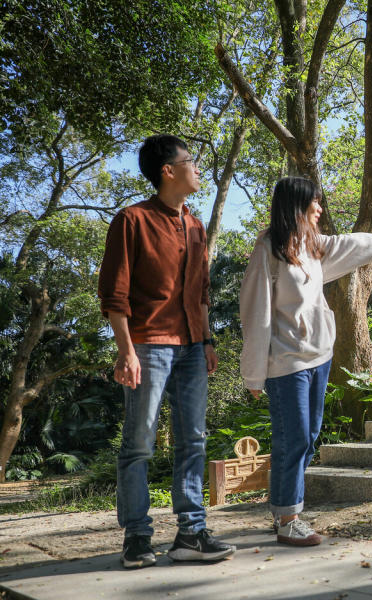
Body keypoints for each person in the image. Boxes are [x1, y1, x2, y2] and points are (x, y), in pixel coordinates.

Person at [239, 176, 372, 546]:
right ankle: (288, 520)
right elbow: (256, 314)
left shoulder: (314, 247)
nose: (320, 209)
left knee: (309, 436)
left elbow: (357, 245)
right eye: (313, 203)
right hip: (285, 364)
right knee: (294, 437)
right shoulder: (270, 250)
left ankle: (286, 511)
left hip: (320, 358)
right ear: (295, 206)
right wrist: (253, 375)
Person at [98, 135, 236, 569]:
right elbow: (114, 294)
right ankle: (137, 537)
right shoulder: (131, 220)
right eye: (190, 161)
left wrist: (208, 339)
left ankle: (191, 533)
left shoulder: (195, 226)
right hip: (147, 344)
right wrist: (126, 352)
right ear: (167, 171)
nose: (198, 169)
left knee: (193, 440)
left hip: (193, 348)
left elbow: (202, 293)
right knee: (139, 443)